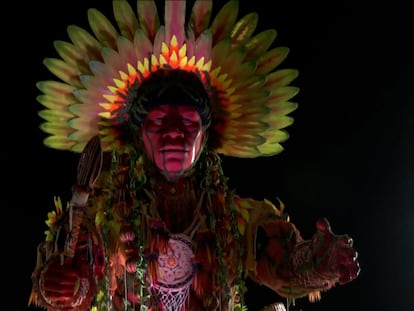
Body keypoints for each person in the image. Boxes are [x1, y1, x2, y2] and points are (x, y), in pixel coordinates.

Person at [29, 1, 360, 310]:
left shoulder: (234, 219)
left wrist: (318, 262)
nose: (174, 132)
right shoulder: (102, 214)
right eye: (159, 121)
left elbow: (284, 266)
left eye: (187, 122)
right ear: (138, 135)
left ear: (205, 136)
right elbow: (70, 283)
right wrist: (64, 285)